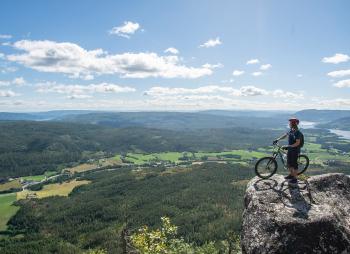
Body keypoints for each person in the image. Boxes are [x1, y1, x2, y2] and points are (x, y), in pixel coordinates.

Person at [273, 118, 302, 183]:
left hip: (295, 150)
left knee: (294, 164)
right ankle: (291, 175)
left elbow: (297, 143)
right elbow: (285, 135)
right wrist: (278, 139)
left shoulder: (297, 132)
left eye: (290, 123)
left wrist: (288, 146)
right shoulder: (291, 130)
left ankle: (295, 178)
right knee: (289, 163)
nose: (289, 124)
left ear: (293, 123)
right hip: (290, 150)